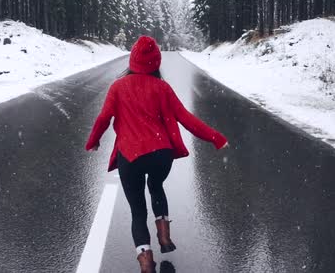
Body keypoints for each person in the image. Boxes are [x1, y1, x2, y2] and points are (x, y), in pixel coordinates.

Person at [85, 36, 228, 273]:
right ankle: (164, 236)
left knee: (138, 211)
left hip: (130, 156)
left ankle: (146, 262)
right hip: (161, 154)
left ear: (133, 60)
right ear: (155, 63)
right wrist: (216, 138)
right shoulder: (163, 88)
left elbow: (103, 118)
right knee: (156, 186)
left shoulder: (118, 87)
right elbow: (186, 118)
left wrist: (93, 141)